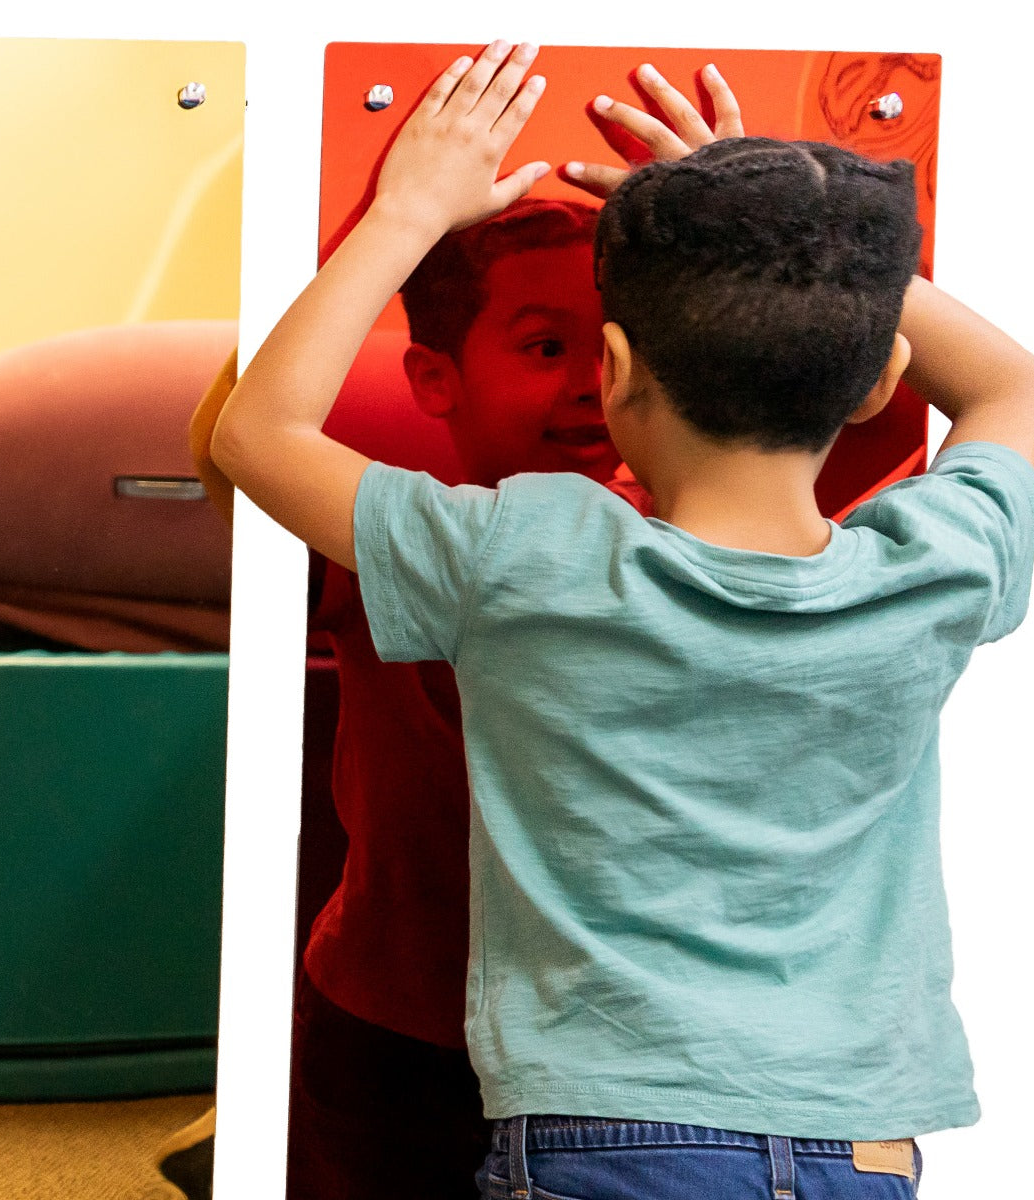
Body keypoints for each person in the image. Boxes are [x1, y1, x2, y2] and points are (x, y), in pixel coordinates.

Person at [210, 41, 1034, 1200]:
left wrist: (408, 209)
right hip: (858, 1137)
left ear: (612, 371)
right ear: (877, 381)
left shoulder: (528, 553)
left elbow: (256, 435)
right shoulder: (935, 570)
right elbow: (1018, 387)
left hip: (604, 1130)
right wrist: (788, 239)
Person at [192, 193, 623, 1197]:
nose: (593, 388)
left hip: (589, 1042)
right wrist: (375, 229)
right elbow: (233, 447)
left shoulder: (680, 540)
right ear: (437, 376)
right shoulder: (398, 536)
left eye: (614, 348)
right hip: (394, 1021)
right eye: (547, 347)